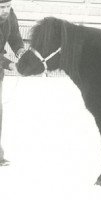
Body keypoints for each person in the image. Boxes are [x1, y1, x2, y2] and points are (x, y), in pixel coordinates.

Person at [0, 0, 25, 165]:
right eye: (2, 7)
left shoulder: (10, 15)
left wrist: (20, 51)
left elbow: (15, 37)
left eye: (8, 6)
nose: (6, 11)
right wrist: (9, 64)